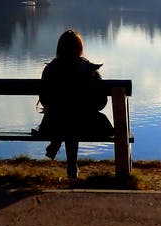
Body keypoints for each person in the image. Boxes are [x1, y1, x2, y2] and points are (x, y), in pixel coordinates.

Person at [35, 29, 113, 176]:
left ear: (59, 48)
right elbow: (101, 102)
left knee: (67, 119)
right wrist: (85, 108)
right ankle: (71, 164)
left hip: (53, 125)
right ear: (79, 48)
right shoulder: (90, 70)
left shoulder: (51, 69)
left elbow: (45, 99)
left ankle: (58, 144)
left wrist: (58, 107)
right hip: (87, 124)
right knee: (74, 120)